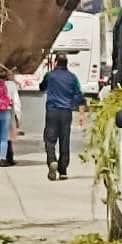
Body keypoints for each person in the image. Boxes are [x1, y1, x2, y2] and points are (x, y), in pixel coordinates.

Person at [39, 53, 85, 181]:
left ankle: (52, 160)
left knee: (49, 139)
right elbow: (79, 95)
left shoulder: (50, 76)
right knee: (65, 140)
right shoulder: (72, 77)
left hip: (52, 111)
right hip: (66, 112)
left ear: (55, 62)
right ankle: (63, 169)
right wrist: (81, 114)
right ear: (67, 63)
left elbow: (42, 87)